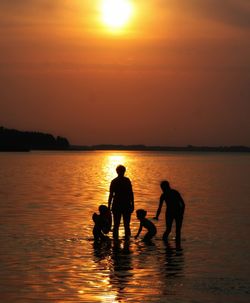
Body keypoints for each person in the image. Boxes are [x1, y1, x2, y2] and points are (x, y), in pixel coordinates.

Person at [154, 180, 185, 245]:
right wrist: (182, 212)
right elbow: (183, 204)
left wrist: (157, 216)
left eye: (162, 188)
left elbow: (160, 207)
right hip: (175, 212)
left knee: (169, 230)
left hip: (172, 213)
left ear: (165, 187)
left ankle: (165, 244)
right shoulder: (174, 192)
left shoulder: (165, 194)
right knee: (177, 231)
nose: (162, 189)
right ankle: (176, 247)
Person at [108, 165, 134, 240]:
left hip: (119, 204)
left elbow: (111, 195)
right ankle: (126, 241)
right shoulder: (126, 180)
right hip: (124, 204)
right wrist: (132, 204)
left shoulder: (115, 181)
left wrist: (109, 206)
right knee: (124, 225)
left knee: (117, 225)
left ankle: (117, 242)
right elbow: (131, 193)